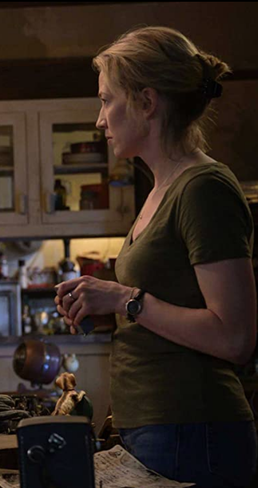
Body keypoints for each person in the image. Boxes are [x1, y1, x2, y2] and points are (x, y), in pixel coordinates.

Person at [55, 26, 256, 487]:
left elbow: (235, 337)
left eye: (107, 100)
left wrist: (125, 299)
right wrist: (100, 305)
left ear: (147, 103)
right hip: (159, 428)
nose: (100, 119)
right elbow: (163, 305)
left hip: (194, 430)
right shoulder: (160, 189)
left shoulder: (204, 187)